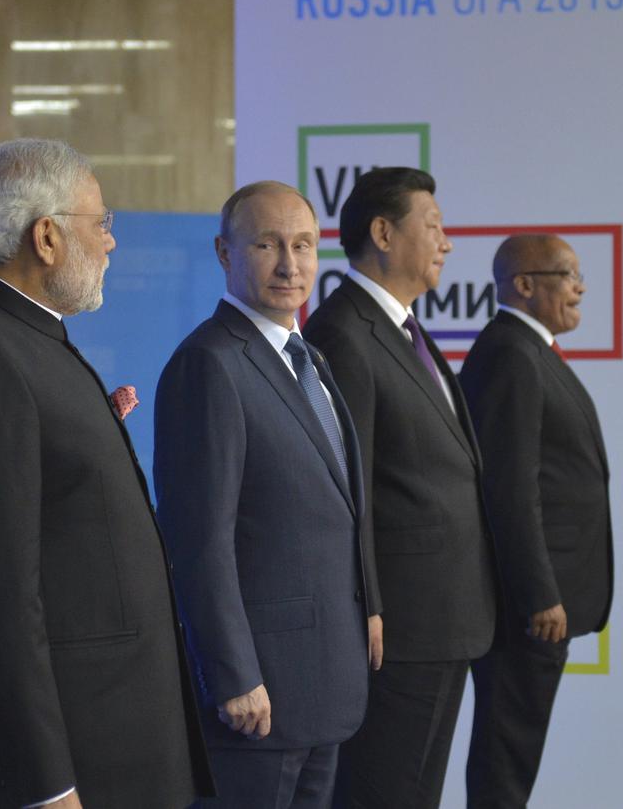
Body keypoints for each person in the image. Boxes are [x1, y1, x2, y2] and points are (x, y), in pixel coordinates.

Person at [0, 138, 213, 809]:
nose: (110, 242)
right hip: (79, 761)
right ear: (46, 237)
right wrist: (43, 784)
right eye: (101, 223)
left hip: (117, 738)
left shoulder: (25, 335)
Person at [154, 181, 380, 809]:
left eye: (303, 245)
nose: (289, 264)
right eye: (266, 245)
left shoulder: (307, 357)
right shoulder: (209, 363)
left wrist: (369, 603)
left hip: (323, 682)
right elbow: (199, 540)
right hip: (259, 696)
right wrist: (233, 674)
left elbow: (337, 506)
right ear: (223, 252)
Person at [302, 167, 497, 809]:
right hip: (401, 630)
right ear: (383, 234)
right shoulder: (343, 333)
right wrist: (367, 605)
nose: (447, 242)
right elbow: (344, 491)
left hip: (443, 618)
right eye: (433, 225)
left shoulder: (402, 328)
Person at [459, 234, 613, 809]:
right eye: (568, 275)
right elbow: (509, 488)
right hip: (528, 612)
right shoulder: (511, 354)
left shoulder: (530, 350)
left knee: (513, 759)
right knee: (505, 762)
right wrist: (538, 594)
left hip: (540, 607)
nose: (581, 288)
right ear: (524, 285)